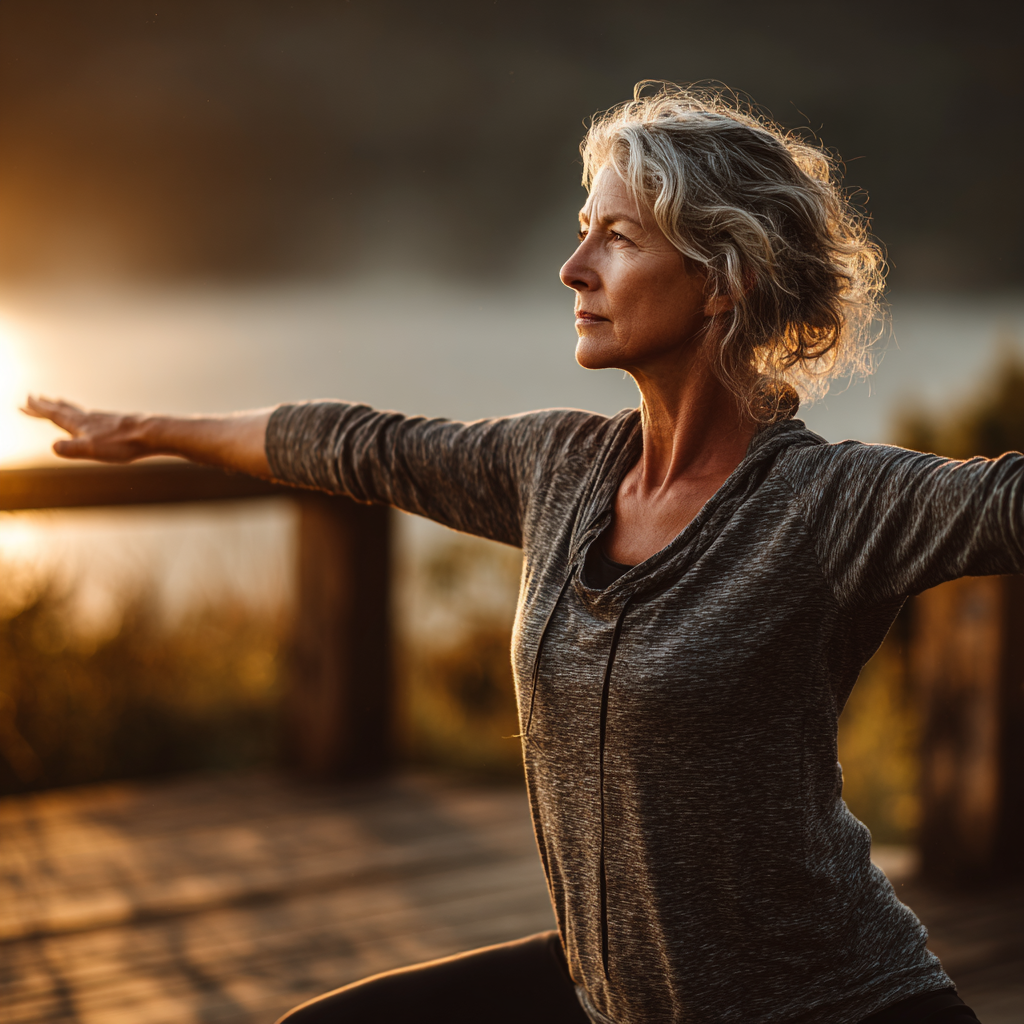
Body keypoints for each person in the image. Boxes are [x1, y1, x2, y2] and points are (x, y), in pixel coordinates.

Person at [22, 83, 995, 1024]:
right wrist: (148, 424)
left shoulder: (828, 504)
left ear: (722, 276)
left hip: (825, 1000)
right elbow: (361, 444)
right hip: (606, 992)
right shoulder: (558, 467)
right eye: (582, 230)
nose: (573, 267)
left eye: (615, 238)